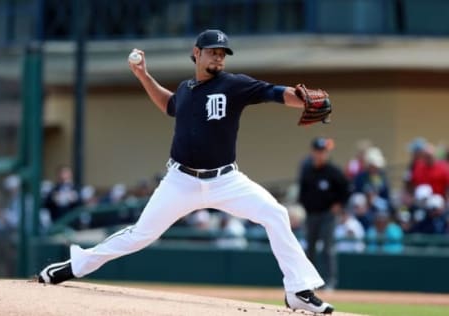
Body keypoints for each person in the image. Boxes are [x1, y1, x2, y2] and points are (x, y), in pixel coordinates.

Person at [38, 29, 334, 314]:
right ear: (196, 53)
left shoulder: (233, 85)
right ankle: (74, 266)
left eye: (222, 54)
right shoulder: (185, 89)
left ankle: (297, 290)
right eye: (212, 52)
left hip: (226, 180)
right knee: (139, 235)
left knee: (276, 214)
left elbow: (273, 92)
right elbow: (169, 105)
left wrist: (302, 99)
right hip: (180, 181)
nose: (218, 58)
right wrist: (143, 75)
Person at [297, 137, 350, 291]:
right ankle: (309, 282)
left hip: (328, 215)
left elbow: (346, 190)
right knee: (310, 249)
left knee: (327, 248)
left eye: (323, 152)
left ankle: (329, 282)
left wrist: (339, 205)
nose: (320, 154)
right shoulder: (307, 170)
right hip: (311, 214)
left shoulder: (333, 171)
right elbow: (302, 191)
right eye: (318, 151)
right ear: (313, 152)